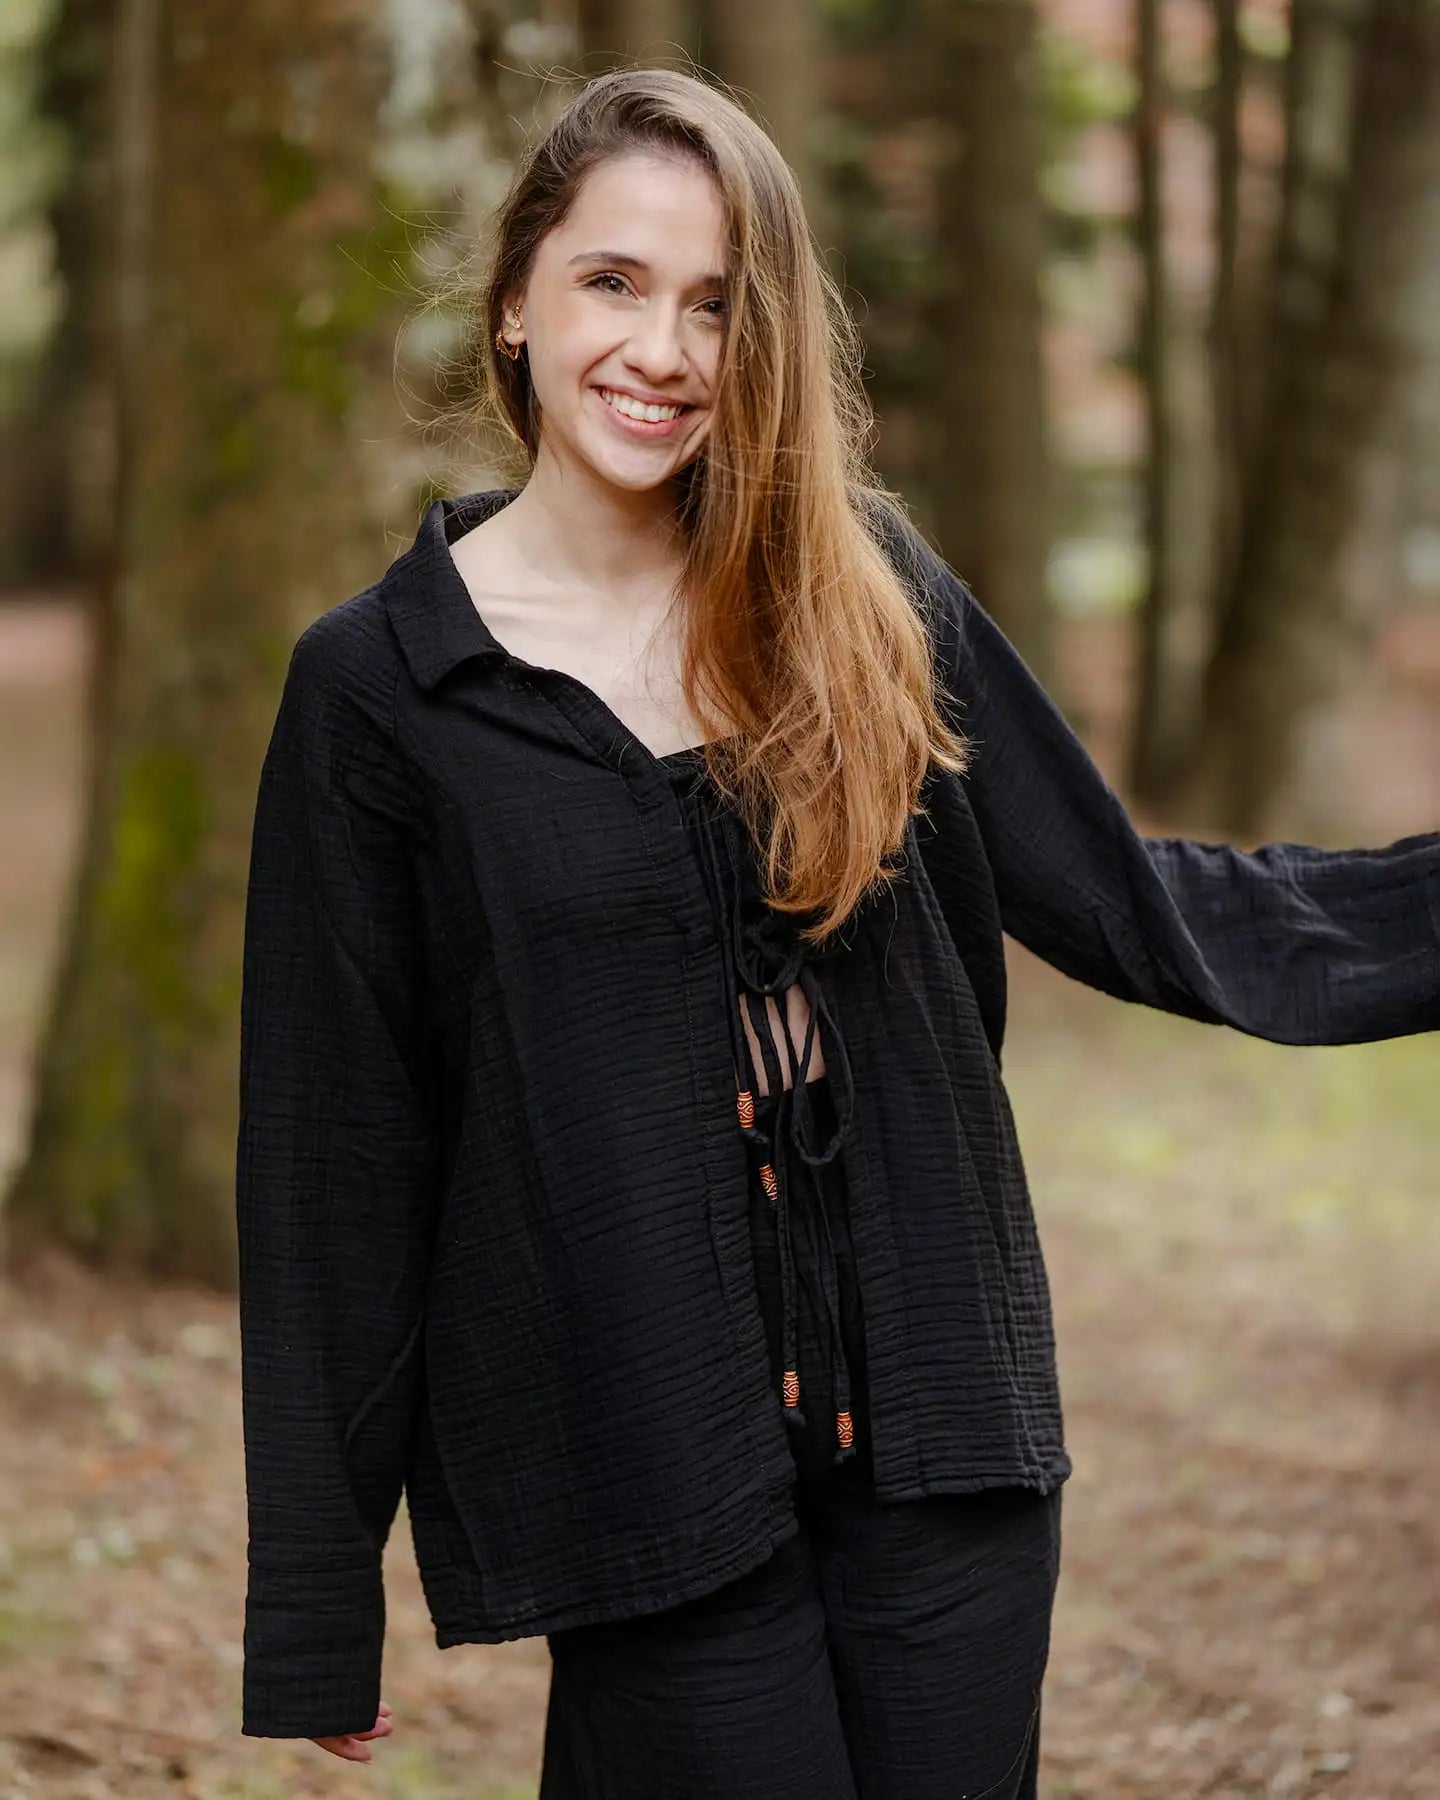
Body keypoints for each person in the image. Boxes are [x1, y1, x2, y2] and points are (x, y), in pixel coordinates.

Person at [234, 65, 1440, 1798]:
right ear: (514, 303)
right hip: (638, 1450)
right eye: (614, 283)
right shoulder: (381, 689)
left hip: (945, 1433)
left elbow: (1132, 902)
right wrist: (314, 1600)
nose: (663, 349)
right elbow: (337, 1155)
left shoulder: (859, 589)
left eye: (719, 304)